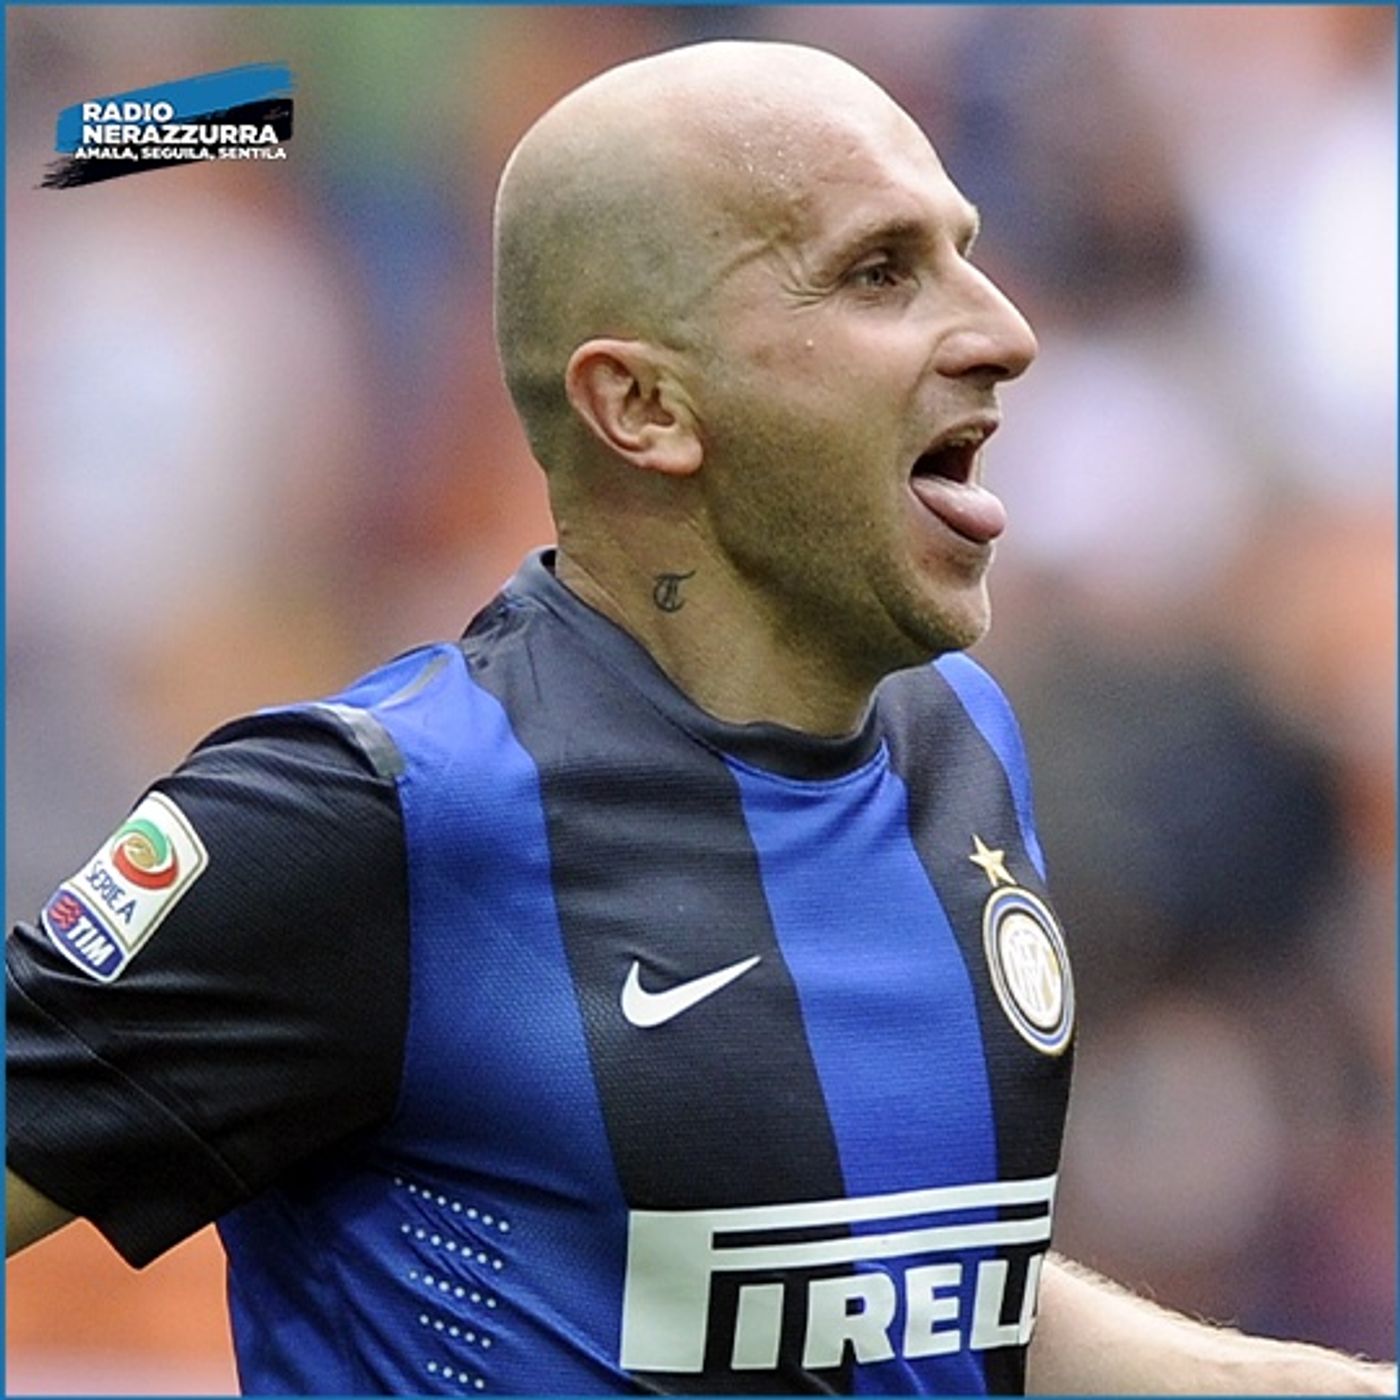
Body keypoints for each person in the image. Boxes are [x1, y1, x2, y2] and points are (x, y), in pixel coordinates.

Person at [6, 39, 1394, 1397]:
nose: (1004, 332)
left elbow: (913, 1299)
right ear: (644, 405)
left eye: (963, 252)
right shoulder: (373, 817)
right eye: (880, 271)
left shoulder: (960, 737)